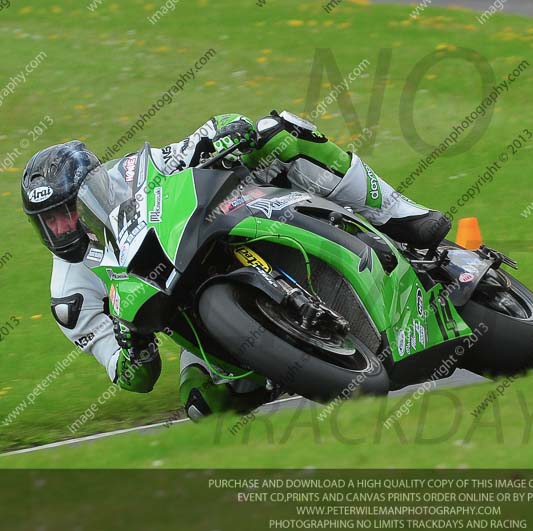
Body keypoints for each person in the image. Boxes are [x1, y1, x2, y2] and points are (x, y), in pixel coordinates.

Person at [20, 111, 450, 420]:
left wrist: (223, 132)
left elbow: (193, 143)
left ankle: (399, 214)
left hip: (216, 229)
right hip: (191, 322)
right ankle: (284, 373)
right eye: (49, 221)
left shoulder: (129, 174)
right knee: (200, 404)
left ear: (89, 192)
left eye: (67, 212)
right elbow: (130, 376)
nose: (62, 228)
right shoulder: (70, 295)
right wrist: (135, 345)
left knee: (279, 131)